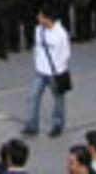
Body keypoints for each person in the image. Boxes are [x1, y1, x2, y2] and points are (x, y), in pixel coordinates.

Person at [22, 10, 70, 138]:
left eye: (41, 16)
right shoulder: (39, 30)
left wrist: (58, 70)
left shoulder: (61, 34)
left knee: (58, 99)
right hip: (40, 71)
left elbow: (65, 54)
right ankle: (32, 125)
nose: (38, 18)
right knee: (33, 96)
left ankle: (57, 125)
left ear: (47, 18)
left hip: (55, 73)